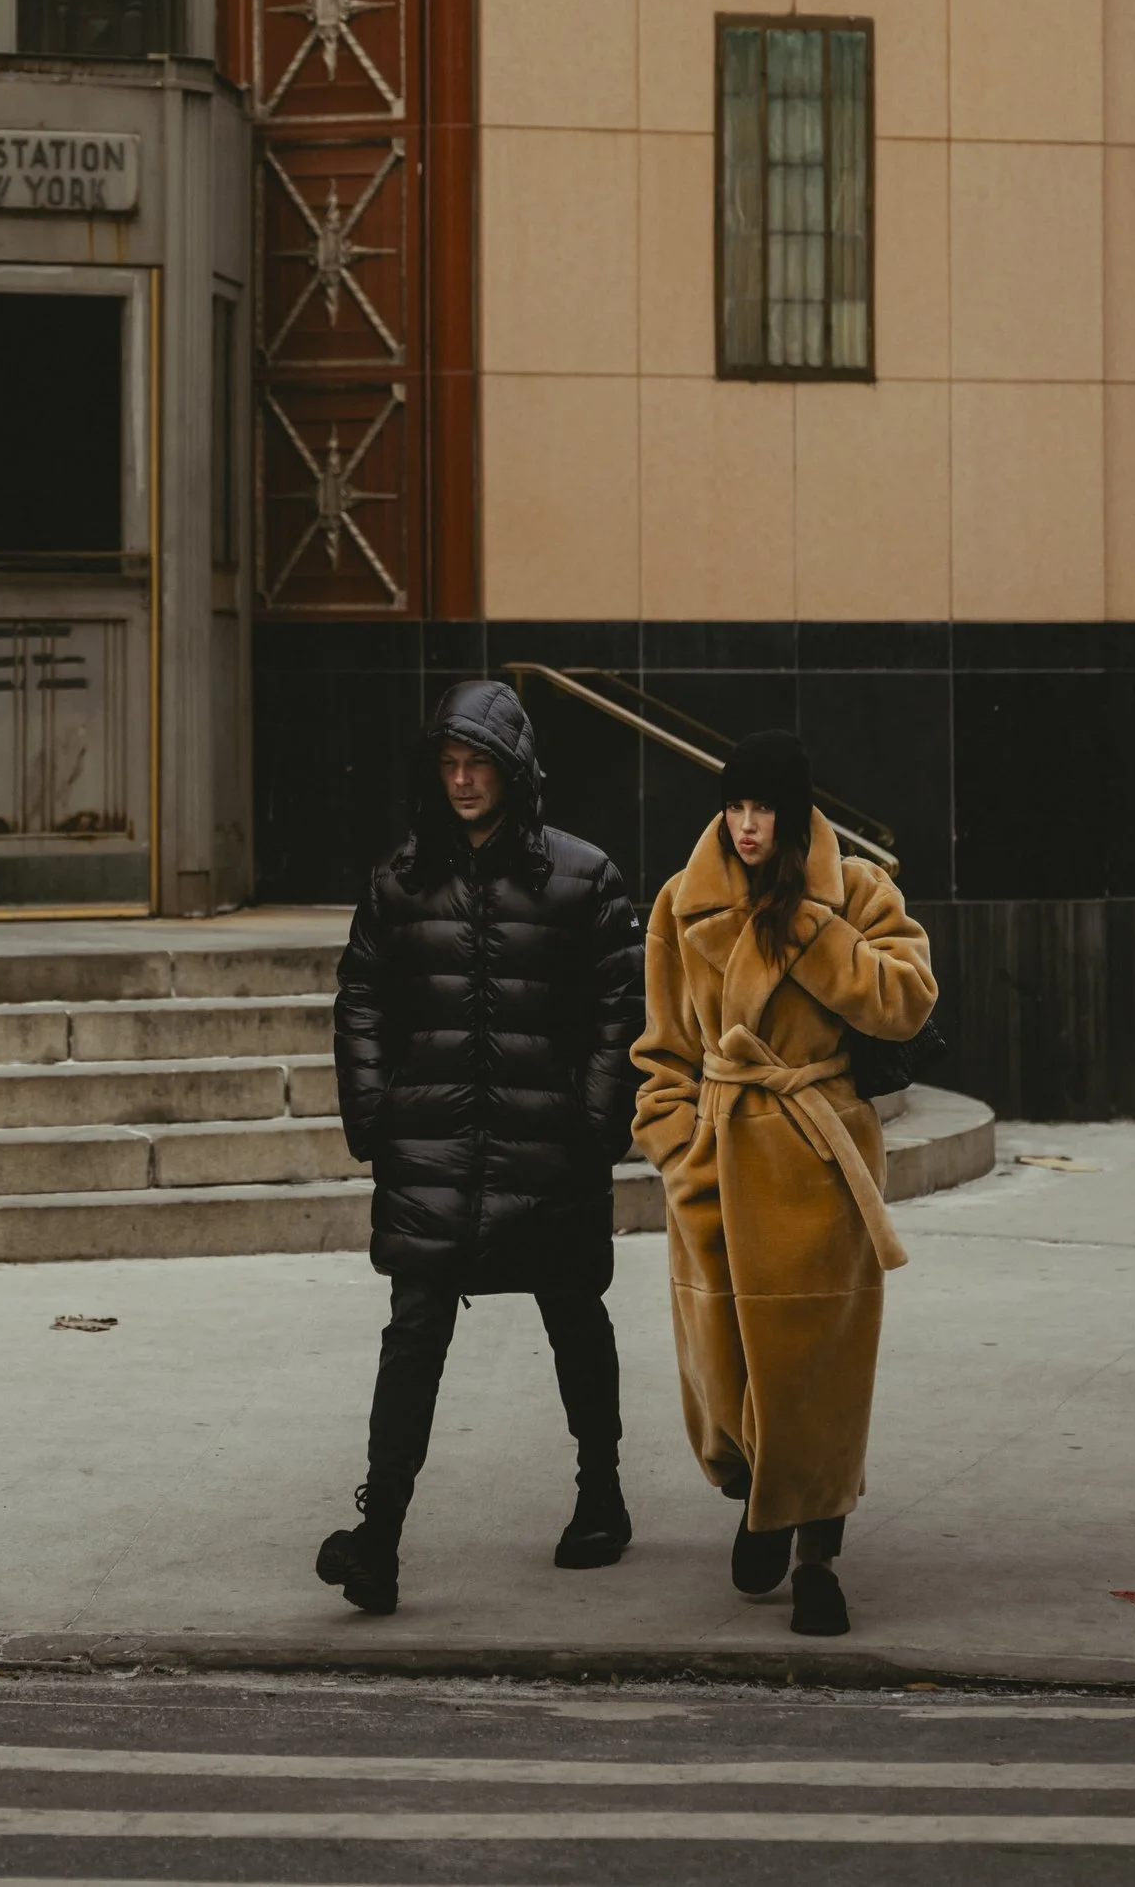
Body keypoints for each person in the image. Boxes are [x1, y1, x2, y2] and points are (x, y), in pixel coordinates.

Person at [316, 676, 643, 1616]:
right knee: (413, 1333)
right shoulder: (399, 879)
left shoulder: (582, 876)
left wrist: (593, 1121)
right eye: (450, 764)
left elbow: (623, 1006)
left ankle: (601, 1490)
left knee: (574, 1317)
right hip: (432, 1152)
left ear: (514, 771)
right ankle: (379, 1538)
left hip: (551, 1151)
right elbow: (363, 997)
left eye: (479, 765)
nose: (463, 781)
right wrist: (372, 1110)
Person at [632, 728, 938, 1638]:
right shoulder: (681, 905)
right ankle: (756, 1491)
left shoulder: (856, 892)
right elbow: (662, 1050)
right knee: (727, 1391)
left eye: (763, 808)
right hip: (718, 1162)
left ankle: (816, 1556)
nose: (747, 825)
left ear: (796, 813)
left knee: (818, 1375)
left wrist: (811, 932)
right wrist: (676, 1146)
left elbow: (908, 994)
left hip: (818, 1162)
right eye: (735, 806)